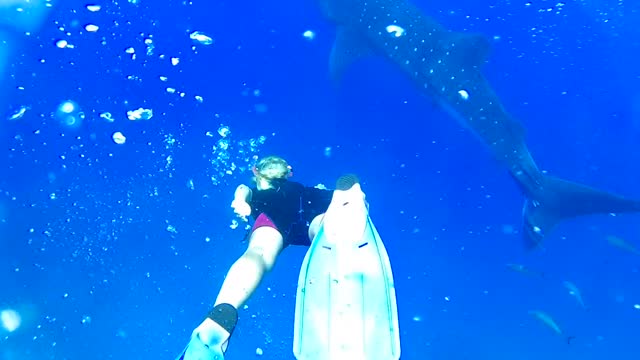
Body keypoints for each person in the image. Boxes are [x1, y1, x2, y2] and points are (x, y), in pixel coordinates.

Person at [178, 155, 333, 359]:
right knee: (260, 250)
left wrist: (353, 196)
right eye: (269, 163)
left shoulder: (302, 189)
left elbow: (339, 195)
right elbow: (243, 190)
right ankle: (218, 319)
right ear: (256, 171)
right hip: (273, 216)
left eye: (284, 164)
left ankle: (340, 238)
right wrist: (240, 201)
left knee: (328, 227)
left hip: (314, 210)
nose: (281, 164)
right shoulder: (258, 193)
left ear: (289, 171)